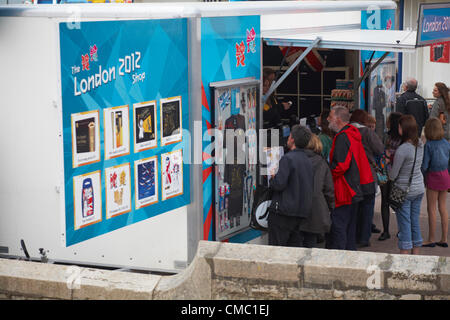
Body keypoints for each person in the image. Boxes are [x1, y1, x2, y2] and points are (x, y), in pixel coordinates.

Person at [326, 106, 375, 251]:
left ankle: (341, 258)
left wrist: (329, 176)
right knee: (350, 227)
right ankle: (349, 254)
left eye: (330, 116)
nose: (328, 119)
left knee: (339, 226)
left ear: (338, 119)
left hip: (344, 189)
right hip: (355, 187)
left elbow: (341, 165)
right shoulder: (352, 134)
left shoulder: (343, 137)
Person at [268, 125, 314, 247]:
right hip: (300, 212)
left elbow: (279, 184)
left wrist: (273, 177)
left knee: (276, 249)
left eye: (289, 136)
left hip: (283, 212)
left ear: (292, 139)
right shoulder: (308, 160)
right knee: (294, 248)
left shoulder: (288, 159)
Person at [388, 115, 425, 255]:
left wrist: (388, 165)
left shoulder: (403, 149)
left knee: (404, 223)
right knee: (414, 220)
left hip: (404, 191)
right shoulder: (420, 144)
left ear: (404, 129)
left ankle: (404, 257)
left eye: (399, 126)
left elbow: (393, 175)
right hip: (419, 187)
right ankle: (415, 255)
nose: (398, 128)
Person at [349, 110, 384, 248]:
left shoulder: (345, 131)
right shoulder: (367, 132)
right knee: (368, 206)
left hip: (351, 173)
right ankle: (364, 238)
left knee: (354, 206)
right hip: (367, 173)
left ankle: (353, 235)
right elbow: (379, 148)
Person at [298, 134, 335, 248]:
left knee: (296, 241)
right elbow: (328, 189)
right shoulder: (321, 162)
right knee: (311, 242)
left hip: (297, 206)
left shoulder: (295, 159)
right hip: (315, 207)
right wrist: (331, 207)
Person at [421, 117, 450, 248]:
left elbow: (425, 165)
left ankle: (431, 238)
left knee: (431, 208)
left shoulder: (429, 145)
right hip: (445, 175)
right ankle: (444, 238)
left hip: (433, 175)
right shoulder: (446, 143)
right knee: (443, 208)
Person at [378, 112, 403, 241]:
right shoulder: (401, 138)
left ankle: (388, 231)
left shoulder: (389, 137)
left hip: (389, 172)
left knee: (388, 202)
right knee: (392, 202)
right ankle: (395, 230)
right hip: (391, 173)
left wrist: (387, 156)